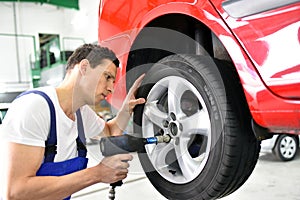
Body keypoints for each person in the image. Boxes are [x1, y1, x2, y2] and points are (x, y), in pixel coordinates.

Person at [0, 44, 146, 200]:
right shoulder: (34, 107)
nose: (111, 88)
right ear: (84, 67)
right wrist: (97, 173)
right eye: (107, 77)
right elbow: (16, 192)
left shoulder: (81, 113)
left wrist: (126, 109)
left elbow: (110, 132)